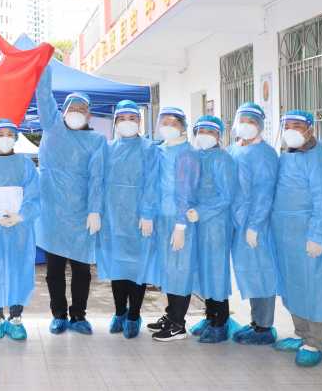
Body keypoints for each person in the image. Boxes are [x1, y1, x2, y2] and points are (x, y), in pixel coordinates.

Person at [34, 66, 106, 335]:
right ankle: (59, 315)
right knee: (54, 270)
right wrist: (43, 66)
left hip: (80, 214)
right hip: (52, 212)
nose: (76, 112)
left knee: (81, 270)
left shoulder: (96, 140)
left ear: (89, 114)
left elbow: (97, 177)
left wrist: (94, 210)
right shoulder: (52, 127)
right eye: (72, 108)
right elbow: (43, 96)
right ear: (62, 111)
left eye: (81, 109)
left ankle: (78, 315)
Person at [271, 110, 322, 367]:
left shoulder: (320, 160)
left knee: (315, 287)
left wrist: (317, 236)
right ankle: (301, 335)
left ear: (311, 129)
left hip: (310, 236)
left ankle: (315, 342)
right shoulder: (286, 157)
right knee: (294, 286)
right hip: (286, 237)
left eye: (297, 126)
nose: (291, 130)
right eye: (287, 125)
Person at [0, 119, 41, 341]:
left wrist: (21, 216)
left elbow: (34, 195)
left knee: (18, 270)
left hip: (20, 229)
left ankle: (15, 318)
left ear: (16, 137)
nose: (5, 138)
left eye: (9, 134)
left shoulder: (26, 164)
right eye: (1, 134)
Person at [97, 100, 158, 340]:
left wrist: (147, 213)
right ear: (115, 123)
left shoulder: (149, 149)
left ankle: (134, 315)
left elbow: (152, 183)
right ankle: (120, 312)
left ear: (139, 121)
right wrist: (97, 212)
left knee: (137, 268)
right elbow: (98, 182)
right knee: (118, 268)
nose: (127, 122)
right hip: (113, 217)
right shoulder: (107, 148)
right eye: (122, 118)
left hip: (139, 217)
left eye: (132, 118)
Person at [145, 107, 200, 342]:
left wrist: (180, 226)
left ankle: (178, 324)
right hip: (162, 217)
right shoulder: (161, 150)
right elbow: (153, 185)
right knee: (168, 270)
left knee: (180, 270)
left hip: (179, 220)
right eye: (164, 122)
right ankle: (170, 315)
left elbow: (186, 191)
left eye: (173, 122)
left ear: (183, 127)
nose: (168, 126)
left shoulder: (186, 154)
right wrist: (148, 214)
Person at [228, 103, 280, 345]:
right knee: (249, 274)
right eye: (243, 120)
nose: (246, 125)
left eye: (252, 121)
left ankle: (264, 327)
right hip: (237, 222)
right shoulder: (234, 150)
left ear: (259, 126)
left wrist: (255, 225)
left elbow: (264, 193)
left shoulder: (265, 154)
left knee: (262, 272)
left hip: (256, 225)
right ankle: (256, 321)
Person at [187, 115, 237, 344]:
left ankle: (220, 322)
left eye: (210, 132)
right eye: (201, 131)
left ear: (219, 136)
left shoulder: (223, 160)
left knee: (216, 271)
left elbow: (227, 196)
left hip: (216, 223)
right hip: (197, 222)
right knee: (203, 271)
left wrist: (202, 211)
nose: (204, 136)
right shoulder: (196, 157)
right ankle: (210, 316)